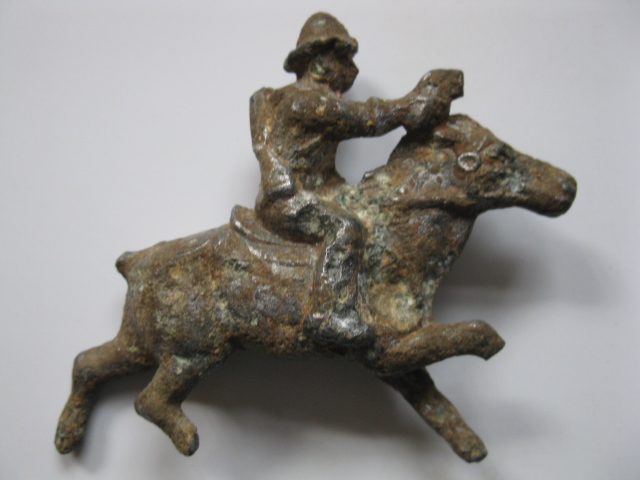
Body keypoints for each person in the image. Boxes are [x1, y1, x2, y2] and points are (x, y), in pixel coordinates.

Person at [250, 12, 445, 346]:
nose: (349, 69)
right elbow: (365, 118)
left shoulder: (296, 96)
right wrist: (410, 104)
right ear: (318, 62)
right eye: (341, 59)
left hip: (322, 190)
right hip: (289, 199)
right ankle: (329, 313)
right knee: (346, 228)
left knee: (374, 208)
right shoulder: (305, 100)